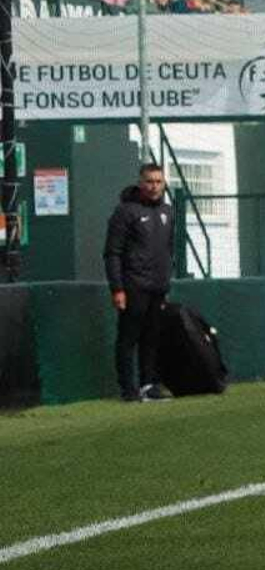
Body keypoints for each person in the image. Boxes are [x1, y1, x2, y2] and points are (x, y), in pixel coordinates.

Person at [103, 163, 176, 402]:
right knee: (128, 338)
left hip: (158, 287)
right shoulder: (125, 212)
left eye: (158, 181)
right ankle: (128, 390)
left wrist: (166, 282)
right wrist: (118, 288)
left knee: (152, 337)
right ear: (140, 183)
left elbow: (168, 248)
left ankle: (148, 386)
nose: (154, 186)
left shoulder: (168, 211)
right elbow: (112, 252)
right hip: (134, 287)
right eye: (149, 181)